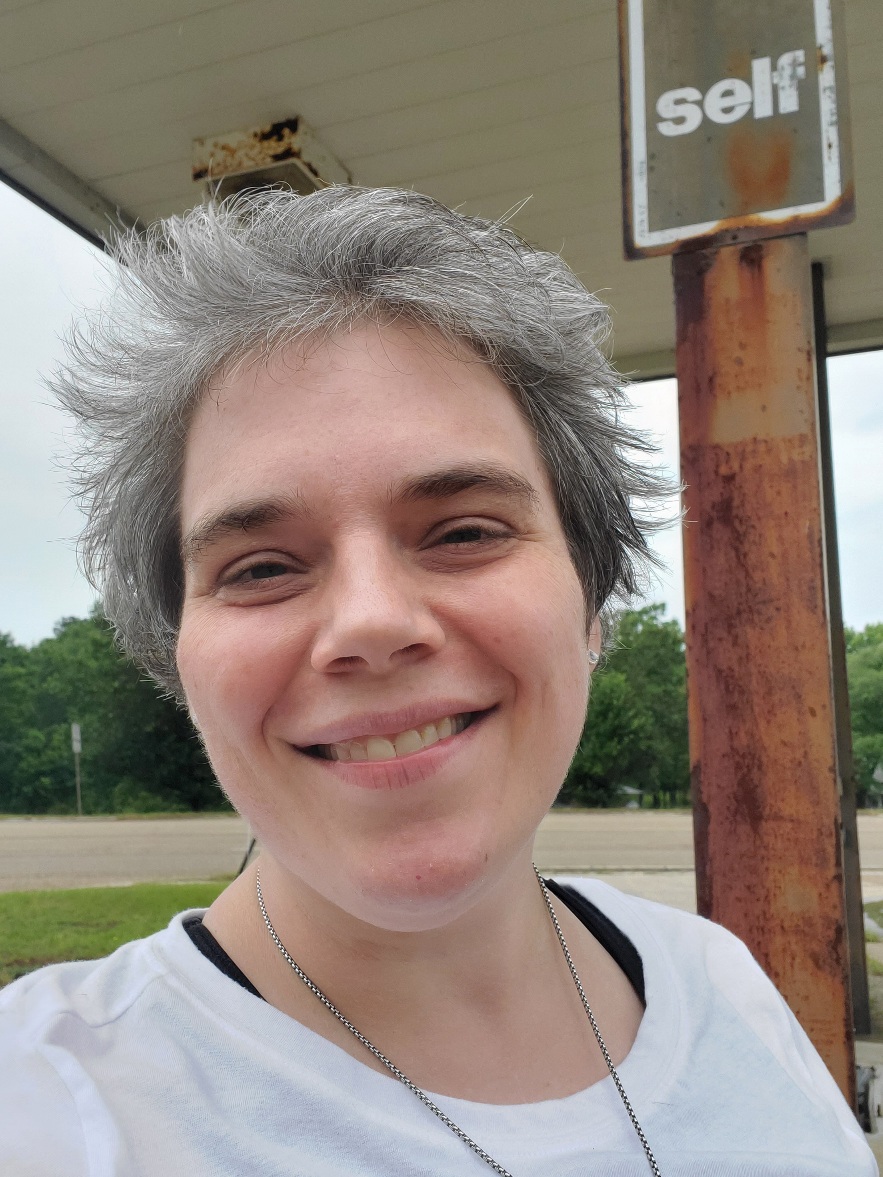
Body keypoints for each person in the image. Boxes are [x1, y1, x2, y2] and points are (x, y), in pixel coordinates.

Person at [0, 187, 874, 1176]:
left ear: (593, 600)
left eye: (465, 531)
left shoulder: (721, 985)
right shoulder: (46, 1103)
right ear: (177, 653)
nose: (371, 622)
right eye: (260, 566)